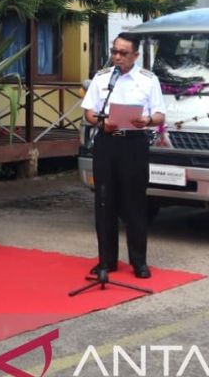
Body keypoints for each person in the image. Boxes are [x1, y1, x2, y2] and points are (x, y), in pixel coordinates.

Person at [81, 32, 165, 279]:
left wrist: (147, 120)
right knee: (105, 201)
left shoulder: (148, 80)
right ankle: (106, 262)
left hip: (134, 144)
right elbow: (89, 112)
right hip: (107, 143)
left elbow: (160, 115)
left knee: (135, 203)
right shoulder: (103, 78)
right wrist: (101, 124)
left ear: (136, 55)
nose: (117, 57)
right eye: (114, 52)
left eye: (123, 53)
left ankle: (139, 261)